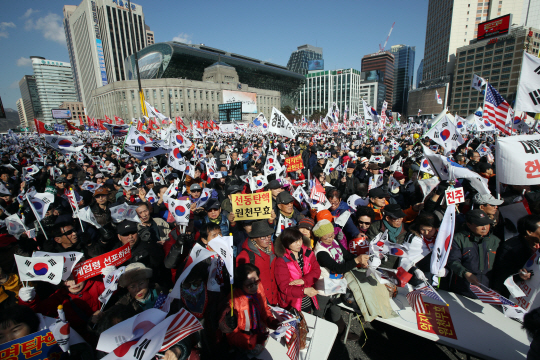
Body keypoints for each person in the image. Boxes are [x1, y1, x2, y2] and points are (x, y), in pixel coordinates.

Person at [312, 219, 368, 341]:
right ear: (320, 237)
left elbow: (346, 256)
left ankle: (343, 332)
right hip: (324, 288)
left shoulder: (335, 242)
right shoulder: (321, 252)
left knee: (336, 309)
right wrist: (357, 261)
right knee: (318, 312)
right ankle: (314, 334)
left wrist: (359, 260)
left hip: (337, 284)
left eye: (332, 235)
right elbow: (337, 268)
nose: (331, 238)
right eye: (327, 237)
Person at [219, 263, 279, 358]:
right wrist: (251, 340)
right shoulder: (233, 300)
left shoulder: (259, 288)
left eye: (256, 281)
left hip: (259, 335)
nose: (255, 286)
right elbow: (232, 335)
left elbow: (264, 309)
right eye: (250, 285)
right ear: (240, 284)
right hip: (244, 342)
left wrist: (270, 320)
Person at [448, 209, 502, 298]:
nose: (485, 228)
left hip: (488, 290)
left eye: (486, 224)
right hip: (463, 289)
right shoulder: (458, 239)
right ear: (469, 225)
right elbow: (453, 260)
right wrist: (466, 273)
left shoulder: (495, 241)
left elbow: (500, 268)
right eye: (480, 225)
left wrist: (498, 288)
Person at [491, 214, 540, 298]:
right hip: (515, 296)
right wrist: (518, 275)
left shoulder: (537, 244)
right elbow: (500, 274)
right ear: (529, 232)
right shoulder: (510, 248)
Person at [274, 227, 321, 312]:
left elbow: (317, 270)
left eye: (300, 240)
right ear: (286, 243)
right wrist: (304, 290)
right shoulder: (282, 261)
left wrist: (304, 281)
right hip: (292, 302)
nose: (299, 244)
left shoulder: (308, 252)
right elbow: (284, 287)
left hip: (308, 297)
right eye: (294, 242)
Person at [236, 220, 278, 305]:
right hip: (258, 301)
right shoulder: (244, 256)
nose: (267, 239)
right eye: (263, 237)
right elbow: (241, 285)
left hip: (275, 298)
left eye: (269, 236)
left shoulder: (271, 248)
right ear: (254, 238)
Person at [367, 204, 410, 268]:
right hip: (379, 266)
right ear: (387, 218)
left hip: (398, 267)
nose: (400, 220)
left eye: (401, 217)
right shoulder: (375, 227)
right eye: (396, 218)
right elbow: (370, 249)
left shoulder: (406, 229)